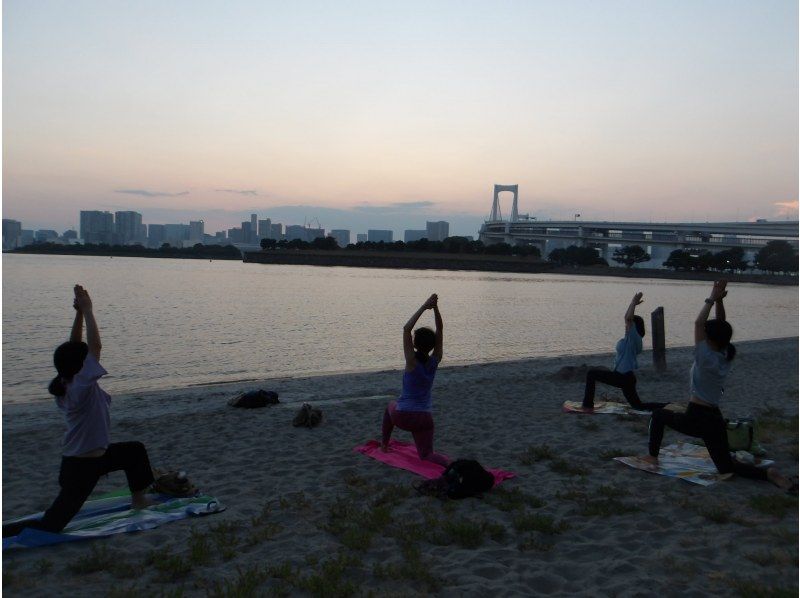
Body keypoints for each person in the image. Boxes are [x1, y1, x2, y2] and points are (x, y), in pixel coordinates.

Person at [3, 285, 156, 538]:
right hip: (81, 469)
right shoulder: (80, 388)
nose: (88, 360)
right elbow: (95, 347)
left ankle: (139, 500)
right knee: (50, 526)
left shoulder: (68, 380)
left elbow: (76, 347)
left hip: (96, 458)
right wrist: (88, 311)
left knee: (134, 451)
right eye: (84, 360)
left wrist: (77, 315)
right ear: (79, 366)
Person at [642, 280, 792, 489]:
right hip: (715, 418)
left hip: (696, 416)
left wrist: (711, 298)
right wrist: (720, 302)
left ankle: (651, 456)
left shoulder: (704, 356)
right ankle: (768, 474)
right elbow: (722, 325)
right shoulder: (725, 353)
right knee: (726, 467)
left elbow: (698, 323)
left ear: (710, 339)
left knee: (658, 415)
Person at [380, 294, 449, 467]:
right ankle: (450, 466)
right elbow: (440, 330)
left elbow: (406, 329)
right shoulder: (435, 361)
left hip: (403, 416)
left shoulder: (411, 361)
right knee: (427, 455)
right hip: (425, 419)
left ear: (415, 344)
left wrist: (425, 306)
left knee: (390, 405)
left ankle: (384, 445)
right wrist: (436, 309)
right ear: (432, 346)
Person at [582, 292, 666, 411]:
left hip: (623, 377)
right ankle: (666, 405)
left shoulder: (634, 338)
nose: (626, 325)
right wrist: (632, 304)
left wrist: (633, 303)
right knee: (638, 406)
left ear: (634, 327)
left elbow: (628, 318)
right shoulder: (630, 338)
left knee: (591, 374)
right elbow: (626, 317)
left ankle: (587, 406)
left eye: (629, 324)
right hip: (624, 377)